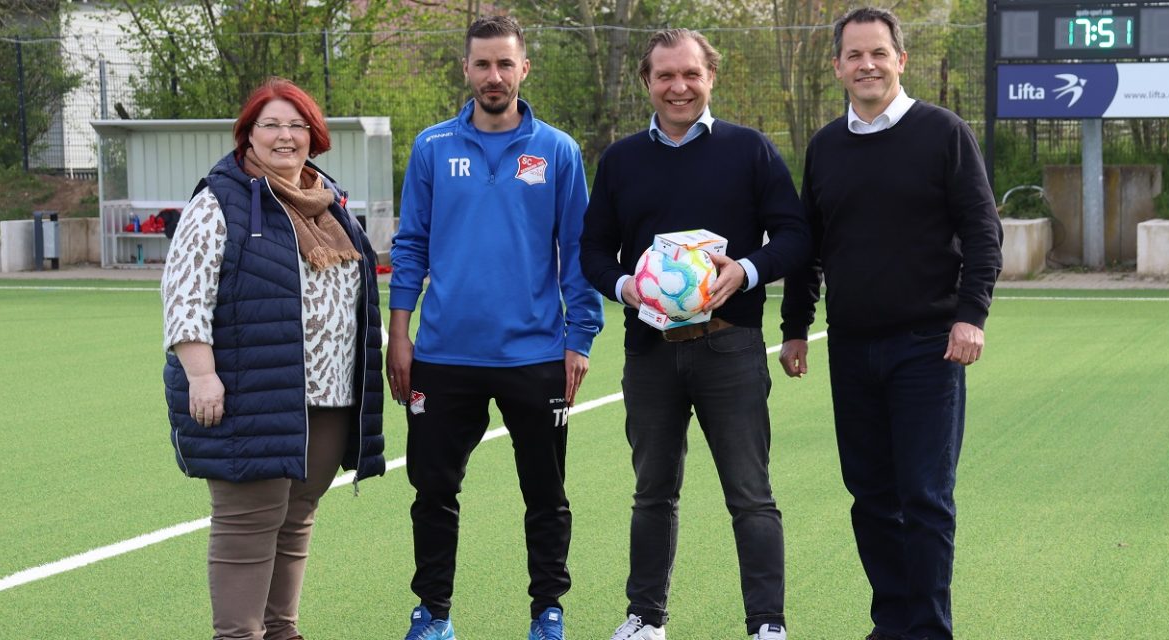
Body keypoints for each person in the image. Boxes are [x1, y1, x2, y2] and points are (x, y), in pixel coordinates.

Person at [778, 8, 1003, 640]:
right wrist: (797, 327)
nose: (867, 65)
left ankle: (928, 630)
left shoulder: (943, 133)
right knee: (871, 497)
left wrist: (971, 316)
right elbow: (809, 245)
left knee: (924, 499)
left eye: (878, 53)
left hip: (930, 347)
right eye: (854, 55)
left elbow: (984, 233)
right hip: (852, 349)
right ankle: (891, 624)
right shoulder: (824, 146)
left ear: (900, 60)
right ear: (838, 67)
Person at [579, 28, 810, 640]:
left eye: (690, 74)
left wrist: (748, 268)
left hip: (730, 346)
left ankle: (767, 624)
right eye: (664, 76)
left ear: (711, 76)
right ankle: (645, 619)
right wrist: (626, 286)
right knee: (653, 492)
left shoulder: (750, 151)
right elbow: (593, 250)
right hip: (650, 352)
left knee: (750, 494)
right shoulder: (622, 160)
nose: (678, 86)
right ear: (648, 83)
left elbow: (795, 235)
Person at [386, 15, 604, 640]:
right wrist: (400, 335)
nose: (494, 75)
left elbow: (577, 253)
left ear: (524, 69)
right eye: (482, 64)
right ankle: (433, 614)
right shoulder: (431, 147)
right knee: (433, 493)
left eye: (505, 63)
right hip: (444, 354)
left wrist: (578, 339)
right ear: (466, 69)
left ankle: (548, 613)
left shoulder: (557, 151)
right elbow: (410, 247)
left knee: (546, 495)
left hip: (534, 355)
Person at [161, 77, 386, 640]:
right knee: (247, 527)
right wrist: (202, 375)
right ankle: (238, 635)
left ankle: (282, 631)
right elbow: (185, 294)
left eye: (297, 125)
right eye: (272, 125)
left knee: (296, 520)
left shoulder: (328, 199)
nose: (286, 136)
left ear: (314, 135)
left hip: (330, 396)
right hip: (252, 392)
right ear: (249, 134)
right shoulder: (220, 199)